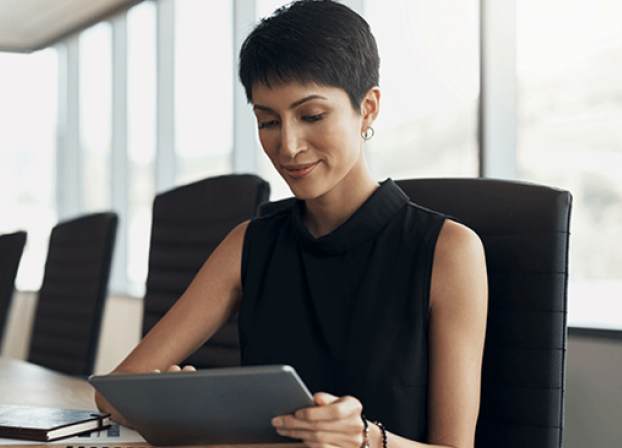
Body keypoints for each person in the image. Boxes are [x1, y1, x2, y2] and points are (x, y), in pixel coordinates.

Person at [95, 1, 488, 447]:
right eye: (267, 121)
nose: (288, 145)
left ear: (369, 109)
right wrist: (174, 405)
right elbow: (113, 392)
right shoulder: (250, 243)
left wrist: (366, 440)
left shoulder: (448, 251)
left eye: (312, 116)